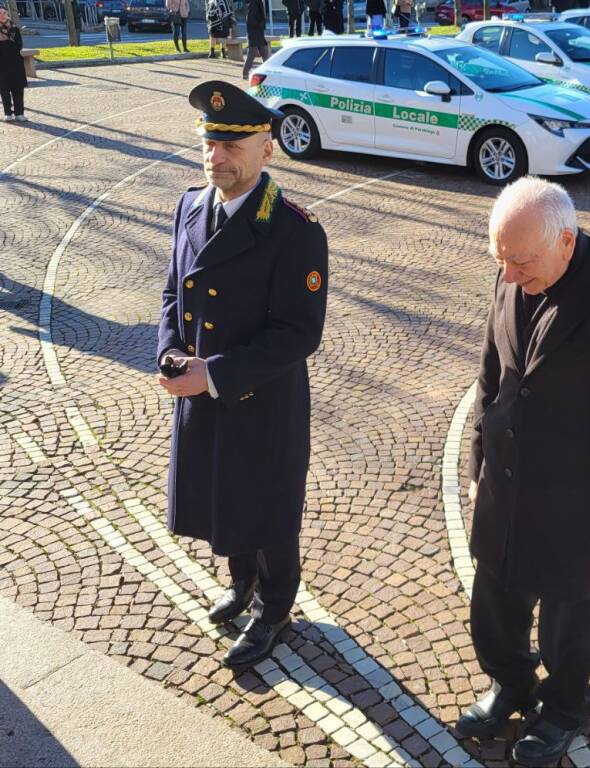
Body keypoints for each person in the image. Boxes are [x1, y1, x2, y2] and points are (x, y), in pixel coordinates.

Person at [456, 177, 590, 767]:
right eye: (501, 260)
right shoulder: (514, 272)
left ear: (566, 241)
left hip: (578, 507)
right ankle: (511, 685)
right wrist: (477, 469)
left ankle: (565, 707)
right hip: (504, 490)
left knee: (568, 629)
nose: (508, 276)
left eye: (520, 261)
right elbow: (490, 381)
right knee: (494, 609)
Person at [157, 81, 328, 670]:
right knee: (222, 497)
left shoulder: (294, 230)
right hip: (202, 392)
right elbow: (170, 293)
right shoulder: (188, 205)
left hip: (260, 403)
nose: (217, 157)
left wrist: (214, 372)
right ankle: (242, 584)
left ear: (267, 150)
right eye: (210, 143)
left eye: (233, 145)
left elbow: (299, 333)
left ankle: (275, 607)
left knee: (268, 507)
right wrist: (170, 353)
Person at [0, 6, 27, 122]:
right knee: (4, 89)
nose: (2, 15)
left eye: (4, 13)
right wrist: (8, 44)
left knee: (18, 88)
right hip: (1, 63)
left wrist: (6, 45)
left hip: (16, 63)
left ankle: (19, 113)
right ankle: (8, 113)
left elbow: (19, 45)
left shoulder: (14, 28)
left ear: (7, 13)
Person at [242, 0, 270, 80]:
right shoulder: (253, 3)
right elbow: (251, 20)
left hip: (258, 32)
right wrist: (260, 26)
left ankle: (268, 72)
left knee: (264, 51)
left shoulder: (258, 2)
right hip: (254, 32)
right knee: (253, 52)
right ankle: (245, 74)